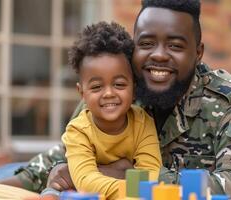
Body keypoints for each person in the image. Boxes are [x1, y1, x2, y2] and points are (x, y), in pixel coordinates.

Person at [0, 0, 231, 199]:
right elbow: (61, 157)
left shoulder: (230, 100)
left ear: (198, 52)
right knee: (3, 176)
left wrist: (127, 176)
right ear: (134, 48)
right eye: (146, 43)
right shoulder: (116, 89)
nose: (158, 55)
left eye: (175, 45)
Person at [42, 21, 161, 200]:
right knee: (54, 191)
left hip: (107, 190)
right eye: (97, 87)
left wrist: (119, 179)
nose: (108, 94)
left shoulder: (143, 123)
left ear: (134, 88)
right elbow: (86, 182)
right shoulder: (78, 130)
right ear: (82, 93)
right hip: (79, 189)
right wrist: (124, 172)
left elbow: (152, 175)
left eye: (119, 84)